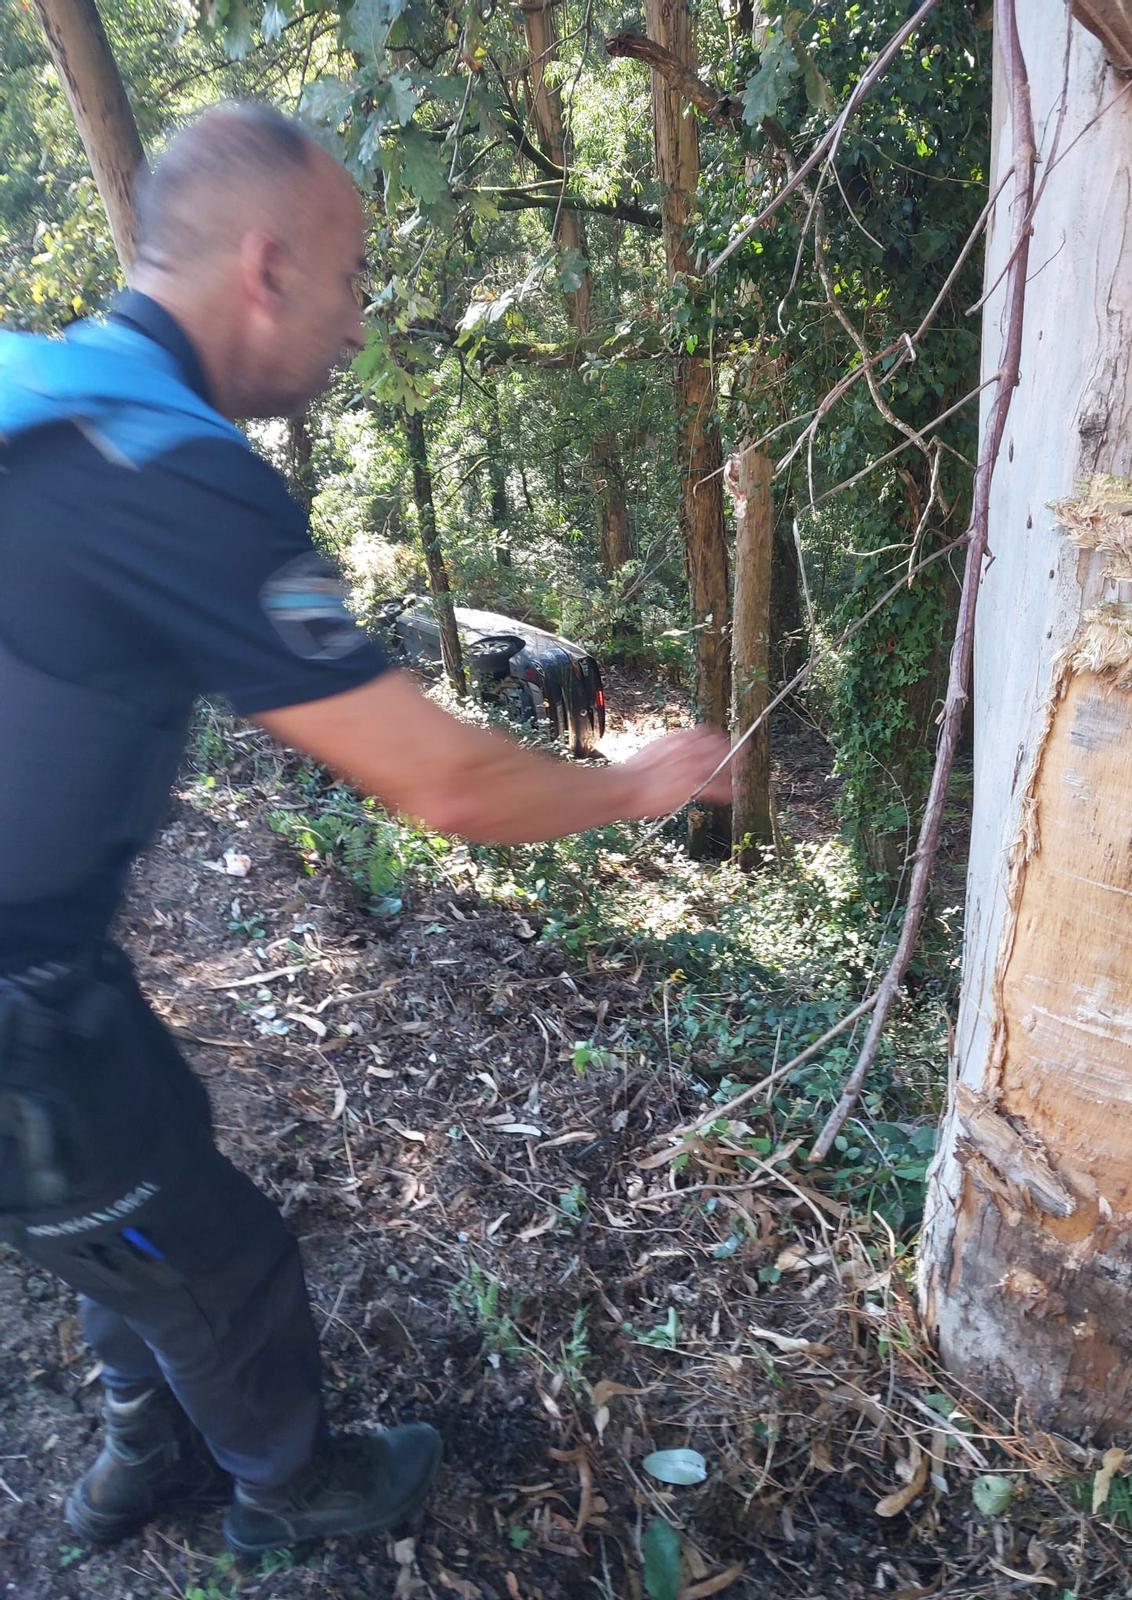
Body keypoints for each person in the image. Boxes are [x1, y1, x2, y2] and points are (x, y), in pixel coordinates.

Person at [0, 103, 730, 1554]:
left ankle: (144, 1451)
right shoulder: (176, 474)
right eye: (350, 282)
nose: (356, 324)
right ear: (266, 268)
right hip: (17, 1001)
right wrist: (636, 783)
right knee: (220, 1262)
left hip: (54, 966)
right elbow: (441, 780)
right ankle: (288, 1494)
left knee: (135, 1189)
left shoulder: (41, 396)